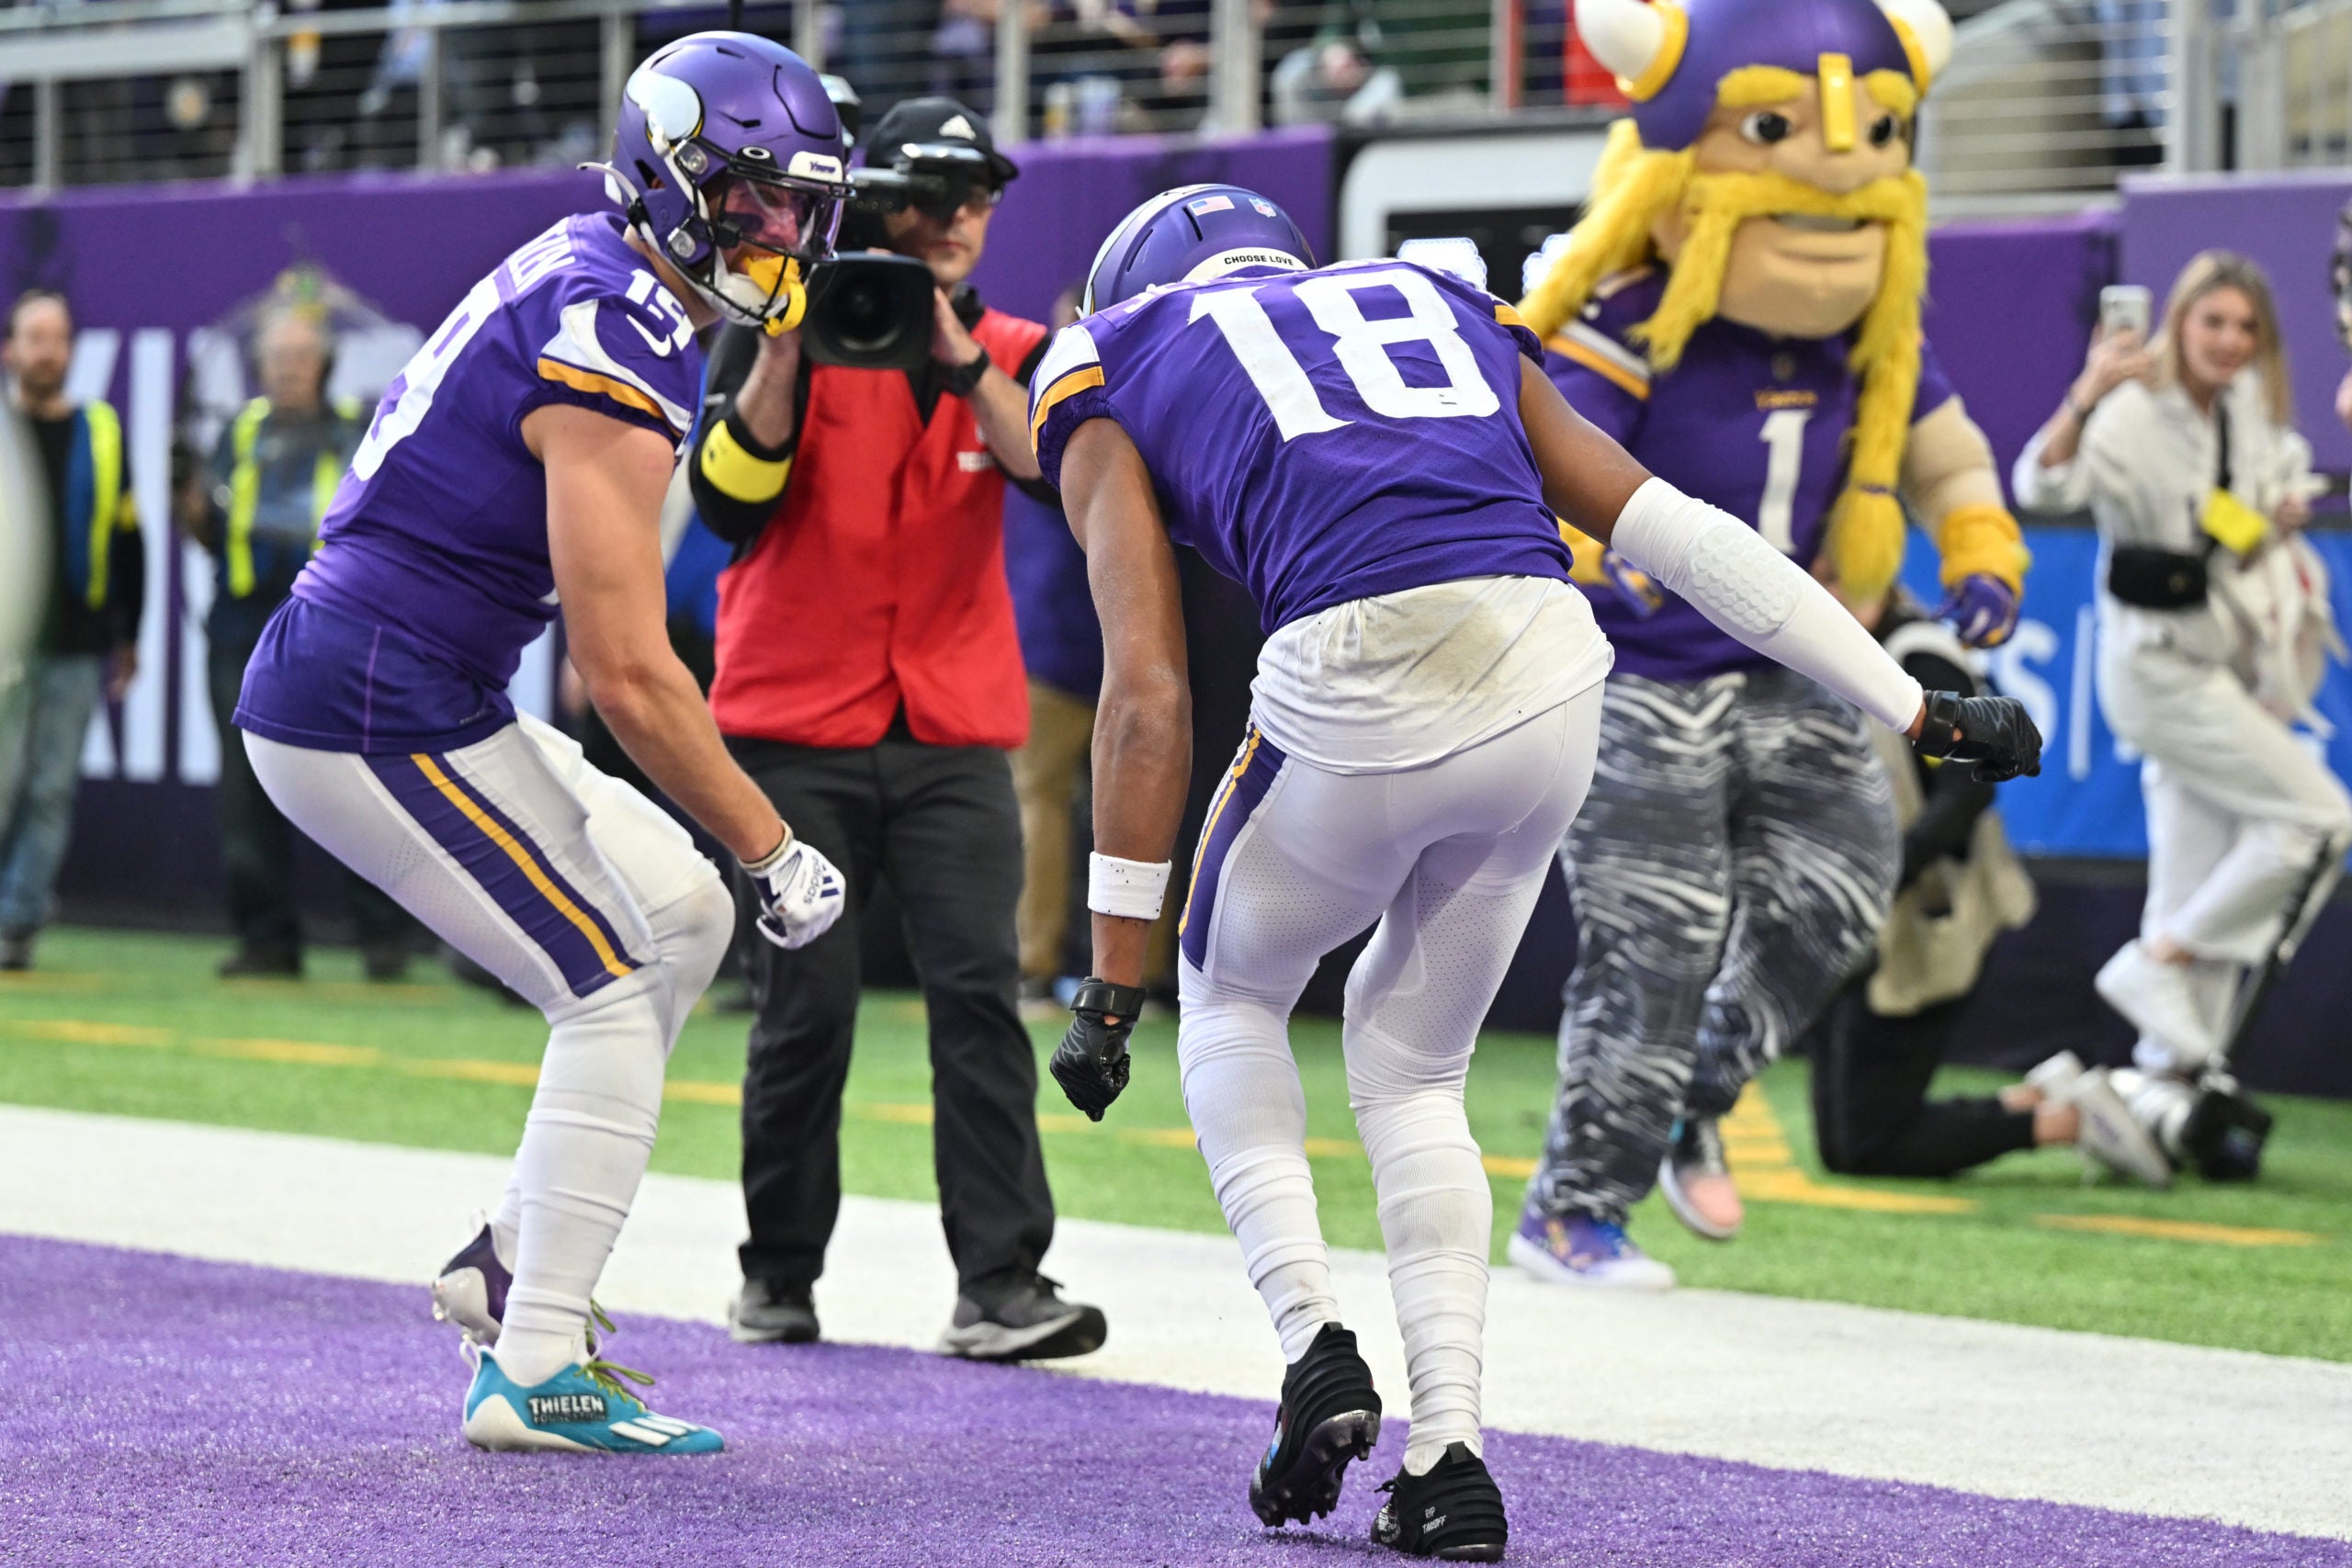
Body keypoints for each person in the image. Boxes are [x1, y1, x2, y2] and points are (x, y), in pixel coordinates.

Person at [1036, 184, 2038, 1560]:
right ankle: (1451, 1458)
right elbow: (1672, 528)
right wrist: (1910, 704)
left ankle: (1312, 1334)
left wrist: (1107, 983)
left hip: (1355, 667)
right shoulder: (1430, 298)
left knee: (1229, 996)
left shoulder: (1109, 351)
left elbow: (1145, 692)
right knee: (1415, 1068)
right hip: (1549, 671)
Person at [231, 32, 851, 1453]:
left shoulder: (610, 269)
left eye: (798, 205)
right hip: (374, 695)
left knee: (676, 911)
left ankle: (513, 1259)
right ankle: (536, 1359)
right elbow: (629, 671)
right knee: (617, 977)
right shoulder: (618, 321)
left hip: (414, 680)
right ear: (677, 177)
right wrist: (773, 841)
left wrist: (731, 866)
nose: (780, 233)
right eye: (754, 198)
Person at [1511, 0, 2030, 1283]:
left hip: (1789, 664)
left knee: (1848, 886)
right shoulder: (1631, 312)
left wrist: (1978, 543)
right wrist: (1589, 554)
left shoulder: (1869, 333)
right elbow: (1555, 453)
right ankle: (1574, 1206)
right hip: (1642, 674)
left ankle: (1693, 1091)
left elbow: (1943, 445)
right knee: (1658, 940)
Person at [685, 96, 1104, 1361]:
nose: (965, 222)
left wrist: (964, 358)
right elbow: (724, 505)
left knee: (979, 994)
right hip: (793, 726)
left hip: (951, 725)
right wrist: (787, 346)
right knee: (804, 1006)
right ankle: (779, 1274)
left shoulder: (1013, 346)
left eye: (980, 199)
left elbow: (1053, 473)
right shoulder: (780, 330)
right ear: (877, 204)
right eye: (938, 198)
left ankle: (1001, 1286)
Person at [2014, 251, 2352, 1164]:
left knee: (2191, 877)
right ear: (2178, 323)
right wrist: (2084, 394)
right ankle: (2153, 968)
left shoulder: (2247, 419)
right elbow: (2041, 487)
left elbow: (2225, 538)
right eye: (2214, 323)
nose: (2230, 343)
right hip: (2156, 670)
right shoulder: (2129, 410)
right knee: (2318, 818)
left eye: (2246, 329)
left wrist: (2265, 526)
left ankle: (2158, 1097)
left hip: (2222, 668)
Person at [1806, 585, 2172, 1187]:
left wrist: (1886, 872)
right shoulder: (1816, 646)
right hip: (1848, 909)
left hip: (1927, 909)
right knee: (1847, 1139)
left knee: (1867, 1141)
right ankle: (2037, 1101)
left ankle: (2067, 1121)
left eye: (1835, 570)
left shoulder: (1917, 653)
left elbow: (1969, 786)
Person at [175, 307, 413, 980]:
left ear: (324, 363)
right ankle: (267, 939)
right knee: (245, 789)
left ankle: (382, 935)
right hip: (240, 626)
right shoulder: (240, 430)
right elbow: (208, 529)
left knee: (358, 782)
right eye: (276, 356)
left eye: (300, 356)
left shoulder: (352, 431)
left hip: (329, 626)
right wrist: (184, 494)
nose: (286, 367)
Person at [0, 290, 144, 973]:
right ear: (11, 349)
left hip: (77, 642)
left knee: (50, 785)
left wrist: (131, 634)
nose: (46, 351)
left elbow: (129, 539)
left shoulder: (101, 430)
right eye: (34, 337)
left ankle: (18, 921)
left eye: (57, 338)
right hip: (5, 644)